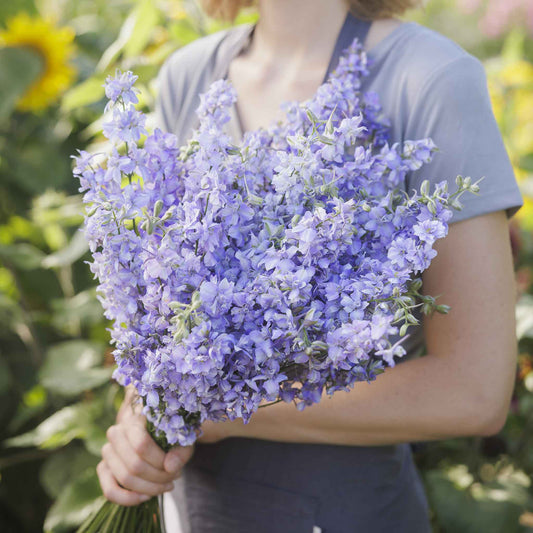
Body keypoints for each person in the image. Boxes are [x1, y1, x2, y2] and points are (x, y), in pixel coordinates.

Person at [97, 0, 524, 531]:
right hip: (192, 508)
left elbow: (474, 392)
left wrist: (218, 413)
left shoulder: (429, 78)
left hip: (344, 511)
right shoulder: (191, 75)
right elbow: (159, 311)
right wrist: (138, 425)